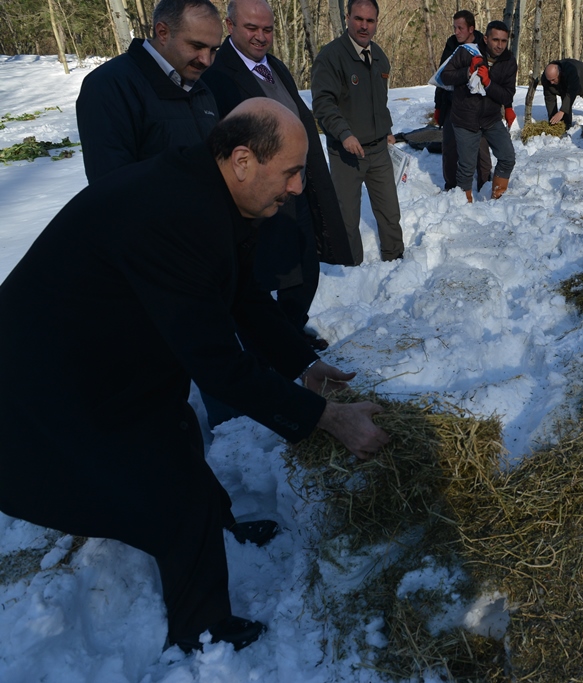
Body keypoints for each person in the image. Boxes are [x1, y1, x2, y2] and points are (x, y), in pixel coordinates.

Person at [0, 99, 390, 653]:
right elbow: (217, 363)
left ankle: (219, 528)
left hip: (111, 353)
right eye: (292, 172)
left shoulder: (218, 194)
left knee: (176, 435)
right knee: (169, 492)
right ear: (241, 160)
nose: (300, 187)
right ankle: (203, 632)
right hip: (46, 378)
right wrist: (327, 420)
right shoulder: (177, 215)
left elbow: (242, 295)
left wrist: (302, 363)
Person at [202, 0, 359, 347]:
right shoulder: (217, 75)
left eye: (268, 30)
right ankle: (266, 345)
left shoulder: (273, 66)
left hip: (298, 187)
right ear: (230, 26)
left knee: (305, 269)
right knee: (265, 276)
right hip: (258, 198)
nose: (261, 37)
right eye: (252, 28)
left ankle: (288, 331)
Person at [76, 0, 223, 183]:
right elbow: (111, 188)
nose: (206, 60)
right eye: (196, 46)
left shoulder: (201, 88)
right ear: (163, 33)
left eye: (214, 50)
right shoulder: (110, 85)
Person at [312, 0, 404, 263]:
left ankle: (395, 259)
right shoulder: (331, 57)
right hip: (347, 154)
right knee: (346, 219)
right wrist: (344, 134)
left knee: (390, 211)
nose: (364, 26)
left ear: (376, 22)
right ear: (347, 17)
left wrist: (385, 129)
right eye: (358, 19)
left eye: (370, 21)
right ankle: (351, 269)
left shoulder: (379, 56)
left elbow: (379, 100)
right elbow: (323, 103)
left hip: (377, 151)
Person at [440, 20, 517, 202]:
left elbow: (507, 96)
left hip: (491, 119)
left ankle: (498, 198)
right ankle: (464, 204)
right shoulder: (467, 52)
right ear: (486, 38)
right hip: (465, 119)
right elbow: (444, 76)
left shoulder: (509, 61)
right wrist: (467, 72)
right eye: (495, 40)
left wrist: (488, 83)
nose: (499, 45)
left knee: (507, 157)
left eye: (504, 41)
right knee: (466, 167)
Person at [434, 10, 492, 192]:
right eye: (454, 28)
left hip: (477, 105)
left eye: (460, 28)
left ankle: (485, 182)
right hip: (452, 103)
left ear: (471, 29)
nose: (456, 32)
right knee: (450, 145)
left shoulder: (484, 44)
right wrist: (438, 106)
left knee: (481, 146)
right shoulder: (452, 44)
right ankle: (451, 186)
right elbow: (441, 76)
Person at [541, 59, 583, 131]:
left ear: (559, 73)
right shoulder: (546, 79)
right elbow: (549, 100)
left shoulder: (571, 71)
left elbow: (571, 93)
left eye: (553, 79)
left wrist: (562, 111)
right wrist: (553, 119)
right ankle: (567, 127)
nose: (551, 82)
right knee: (565, 103)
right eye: (549, 80)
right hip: (564, 86)